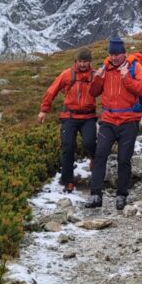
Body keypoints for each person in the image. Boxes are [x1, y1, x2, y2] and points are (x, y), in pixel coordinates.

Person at [86, 36, 142, 210]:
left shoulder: (135, 68)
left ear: (124, 53)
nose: (114, 57)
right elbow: (93, 93)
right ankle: (95, 195)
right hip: (108, 120)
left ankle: (121, 195)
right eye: (111, 54)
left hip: (129, 120)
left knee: (124, 159)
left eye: (117, 54)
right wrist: (97, 79)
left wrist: (126, 78)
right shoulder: (104, 69)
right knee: (100, 156)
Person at [38, 48, 97, 193]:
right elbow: (52, 90)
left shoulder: (96, 75)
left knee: (90, 143)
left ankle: (95, 161)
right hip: (69, 117)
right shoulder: (67, 74)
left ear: (90, 62)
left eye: (85, 62)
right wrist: (44, 110)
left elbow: (107, 92)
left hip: (88, 116)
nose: (83, 64)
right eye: (80, 61)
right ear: (76, 61)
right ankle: (67, 180)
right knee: (68, 147)